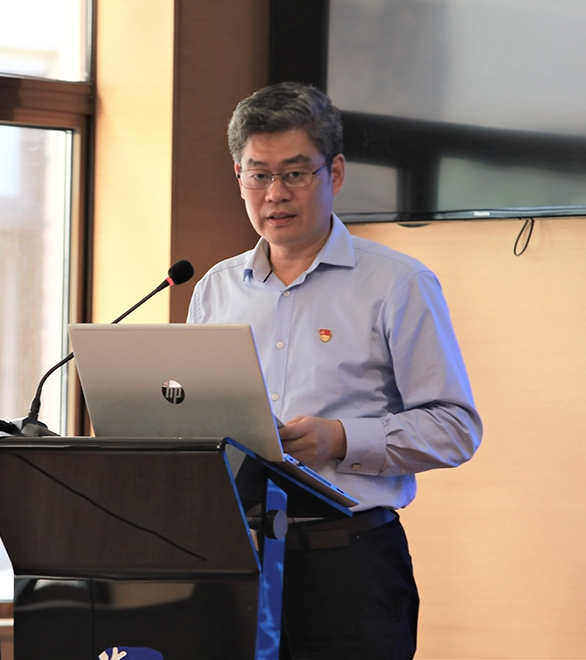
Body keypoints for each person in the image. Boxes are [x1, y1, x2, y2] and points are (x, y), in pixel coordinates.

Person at [187, 82, 482, 659]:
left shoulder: (397, 283)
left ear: (335, 173)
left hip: (348, 565)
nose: (275, 193)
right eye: (258, 175)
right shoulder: (217, 289)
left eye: (295, 173)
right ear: (239, 177)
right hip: (235, 559)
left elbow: (455, 427)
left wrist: (341, 439)